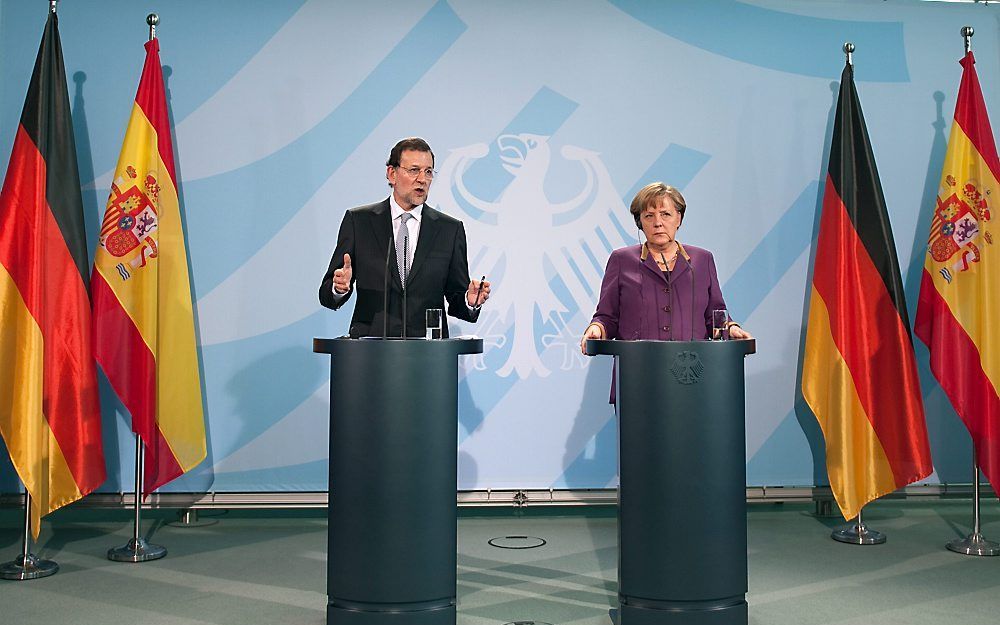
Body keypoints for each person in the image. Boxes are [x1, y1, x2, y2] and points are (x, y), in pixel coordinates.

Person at [320, 137, 491, 337]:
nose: (422, 179)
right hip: (371, 352)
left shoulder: (449, 230)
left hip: (428, 354)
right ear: (392, 174)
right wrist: (338, 288)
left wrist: (469, 301)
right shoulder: (359, 222)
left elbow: (456, 297)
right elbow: (326, 296)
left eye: (428, 172)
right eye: (414, 170)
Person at [580, 182, 750, 353]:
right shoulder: (621, 260)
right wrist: (597, 328)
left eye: (665, 214)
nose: (658, 223)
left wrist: (730, 328)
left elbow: (715, 315)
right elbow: (607, 317)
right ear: (640, 223)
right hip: (637, 368)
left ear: (679, 219)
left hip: (691, 369)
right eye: (649, 216)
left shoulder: (702, 260)